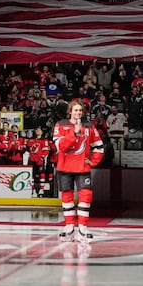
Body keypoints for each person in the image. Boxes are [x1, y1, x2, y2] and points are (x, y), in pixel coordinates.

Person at [53, 100, 105, 243]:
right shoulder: (60, 125)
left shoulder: (89, 126)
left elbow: (99, 146)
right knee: (67, 196)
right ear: (70, 111)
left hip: (82, 167)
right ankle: (69, 226)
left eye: (80, 111)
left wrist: (93, 161)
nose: (78, 113)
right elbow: (60, 147)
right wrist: (74, 133)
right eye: (75, 110)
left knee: (86, 195)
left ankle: (83, 226)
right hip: (64, 167)